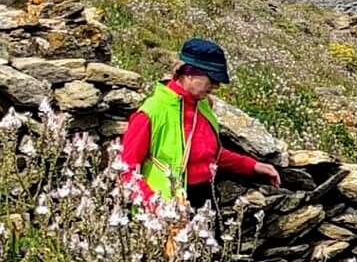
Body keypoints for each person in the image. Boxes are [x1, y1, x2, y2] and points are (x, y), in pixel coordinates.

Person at [117, 37, 280, 208]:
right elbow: (125, 171)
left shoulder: (203, 105)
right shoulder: (152, 112)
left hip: (204, 199)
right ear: (188, 73)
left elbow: (211, 154)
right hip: (165, 207)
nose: (216, 86)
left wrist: (253, 166)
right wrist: (156, 207)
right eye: (212, 78)